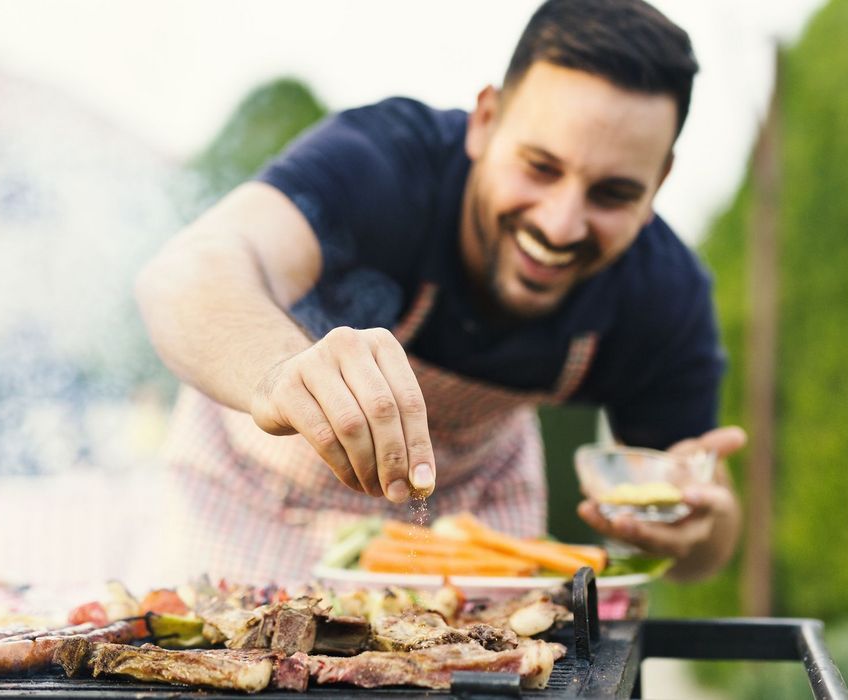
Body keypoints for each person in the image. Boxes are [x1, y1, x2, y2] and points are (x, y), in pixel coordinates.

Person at [135, 0, 746, 587]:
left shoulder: (663, 295)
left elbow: (704, 552)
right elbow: (187, 273)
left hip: (470, 518)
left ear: (659, 181)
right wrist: (276, 373)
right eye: (539, 166)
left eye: (612, 194)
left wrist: (701, 532)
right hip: (253, 498)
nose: (560, 226)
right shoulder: (384, 163)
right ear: (485, 122)